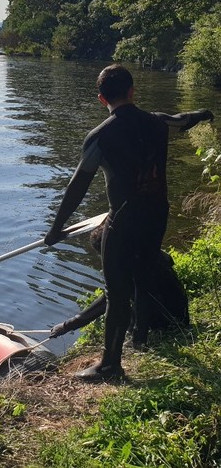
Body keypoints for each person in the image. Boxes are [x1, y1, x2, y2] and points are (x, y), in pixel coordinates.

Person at [44, 63, 213, 382]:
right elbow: (182, 120)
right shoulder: (157, 122)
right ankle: (140, 339)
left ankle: (110, 365)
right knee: (143, 277)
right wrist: (203, 113)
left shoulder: (100, 137)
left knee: (116, 291)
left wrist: (56, 229)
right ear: (132, 92)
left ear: (100, 99)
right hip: (157, 215)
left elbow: (77, 187)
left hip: (123, 219)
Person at [50, 223, 189, 339]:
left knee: (121, 305)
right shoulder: (150, 250)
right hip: (182, 314)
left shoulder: (123, 267)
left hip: (165, 323)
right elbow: (169, 261)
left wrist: (66, 326)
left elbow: (106, 301)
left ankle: (135, 339)